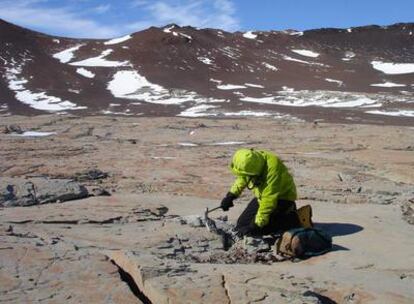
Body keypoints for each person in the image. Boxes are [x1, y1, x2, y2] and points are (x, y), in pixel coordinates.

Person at [220, 148, 301, 237]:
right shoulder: (253, 162)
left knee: (260, 229)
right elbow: (243, 176)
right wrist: (231, 195)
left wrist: (255, 225)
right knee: (242, 225)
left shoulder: (273, 170)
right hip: (261, 197)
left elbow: (268, 200)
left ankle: (291, 218)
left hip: (282, 198)